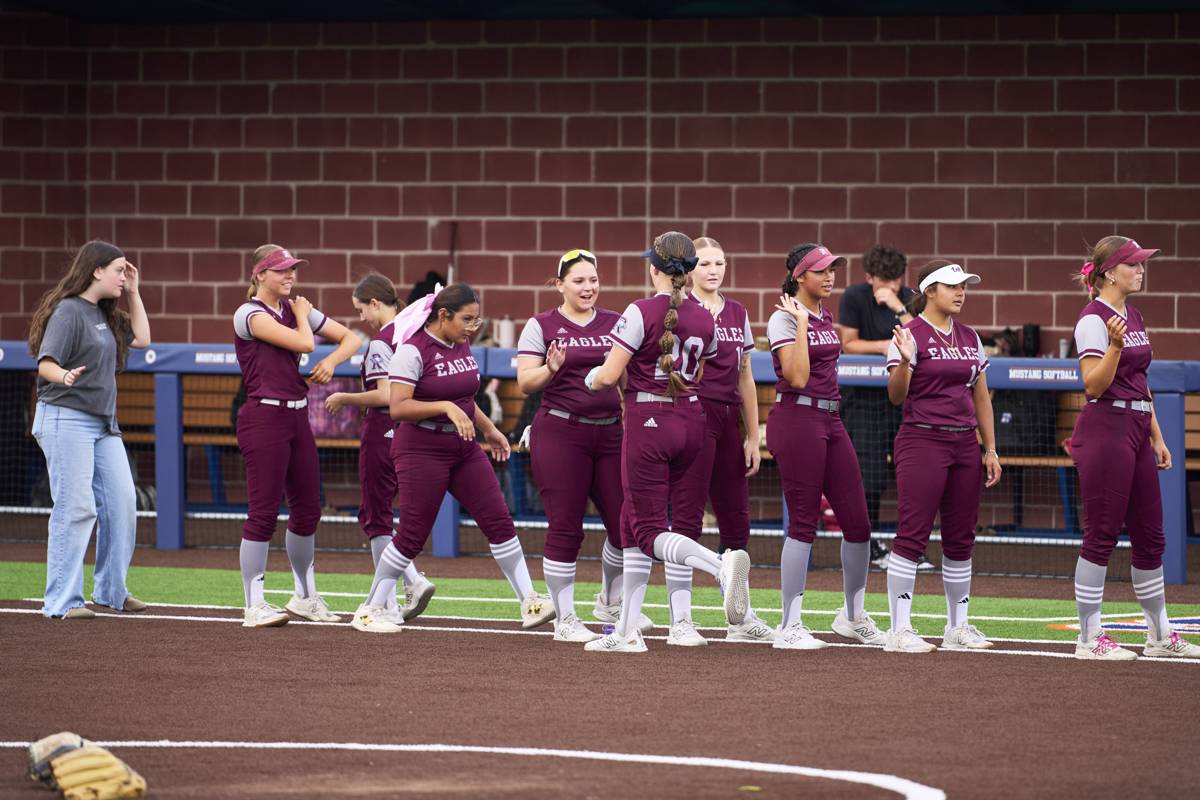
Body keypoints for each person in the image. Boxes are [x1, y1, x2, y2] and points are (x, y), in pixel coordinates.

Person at [581, 232, 752, 653]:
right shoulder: (707, 317)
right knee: (633, 524)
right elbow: (708, 359)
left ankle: (719, 565)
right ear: (690, 269)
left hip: (650, 419)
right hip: (692, 417)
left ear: (654, 268)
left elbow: (606, 375)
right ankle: (625, 632)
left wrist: (590, 378)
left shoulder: (640, 310)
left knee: (647, 527)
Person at [352, 283, 554, 633]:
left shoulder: (461, 344)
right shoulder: (411, 351)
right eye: (467, 319)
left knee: (499, 520)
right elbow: (398, 407)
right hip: (420, 447)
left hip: (463, 447)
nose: (472, 328)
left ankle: (530, 601)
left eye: (476, 320)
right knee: (412, 534)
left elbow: (463, 396)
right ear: (442, 315)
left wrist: (490, 430)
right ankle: (369, 610)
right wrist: (445, 406)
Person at [1069, 236, 1200, 660]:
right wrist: (1115, 347)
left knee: (1150, 535)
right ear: (1109, 273)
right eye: (1134, 265)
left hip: (1137, 426)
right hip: (1105, 426)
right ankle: (1089, 637)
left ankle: (1159, 634)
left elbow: (1140, 382)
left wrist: (1157, 437)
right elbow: (1093, 384)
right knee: (1102, 534)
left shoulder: (1135, 314)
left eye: (1142, 264)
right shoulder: (1093, 319)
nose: (1141, 270)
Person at [517, 249, 645, 643]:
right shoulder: (541, 325)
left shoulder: (615, 321)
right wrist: (551, 368)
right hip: (560, 432)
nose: (588, 287)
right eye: (578, 281)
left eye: (593, 280)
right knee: (566, 527)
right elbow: (525, 382)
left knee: (627, 524)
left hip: (610, 433)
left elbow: (625, 376)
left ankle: (609, 601)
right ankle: (566, 619)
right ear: (560, 284)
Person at [233, 244, 361, 628]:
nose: (290, 276)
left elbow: (351, 338)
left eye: (293, 270)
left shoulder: (294, 309)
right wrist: (304, 317)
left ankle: (305, 597)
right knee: (263, 512)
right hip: (263, 417)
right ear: (259, 275)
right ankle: (254, 604)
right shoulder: (249, 313)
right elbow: (305, 342)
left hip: (297, 417)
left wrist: (331, 362)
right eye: (281, 270)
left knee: (307, 510)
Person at [767, 244, 883, 650]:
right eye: (821, 270)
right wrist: (799, 324)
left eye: (833, 268)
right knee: (802, 524)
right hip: (797, 418)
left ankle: (852, 616)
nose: (830, 276)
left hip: (831, 419)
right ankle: (790, 625)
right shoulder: (785, 316)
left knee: (858, 524)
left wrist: (808, 322)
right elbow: (797, 377)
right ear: (800, 276)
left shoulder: (824, 314)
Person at [28, 240, 151, 619]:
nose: (123, 276)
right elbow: (45, 364)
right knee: (76, 508)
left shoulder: (107, 313)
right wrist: (63, 374)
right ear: (96, 270)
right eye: (118, 270)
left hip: (103, 424)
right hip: (65, 417)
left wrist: (134, 291)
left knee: (122, 503)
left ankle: (112, 591)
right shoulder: (68, 312)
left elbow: (144, 339)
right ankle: (62, 602)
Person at [885, 261, 1001, 653]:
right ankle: (899, 631)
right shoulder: (910, 334)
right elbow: (895, 395)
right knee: (913, 534)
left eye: (964, 285)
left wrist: (991, 448)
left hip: (965, 445)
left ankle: (958, 627)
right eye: (952, 285)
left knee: (960, 538)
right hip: (922, 440)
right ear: (929, 290)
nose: (961, 291)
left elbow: (981, 396)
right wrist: (904, 360)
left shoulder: (970, 336)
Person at [669, 237, 773, 646]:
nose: (714, 270)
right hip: (692, 414)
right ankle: (681, 620)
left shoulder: (738, 312)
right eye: (706, 263)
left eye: (720, 263)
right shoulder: (676, 310)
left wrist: (752, 434)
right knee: (688, 520)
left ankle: (739, 618)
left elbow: (746, 376)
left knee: (736, 519)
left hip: (729, 419)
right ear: (690, 268)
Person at [325, 274, 436, 624]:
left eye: (362, 309)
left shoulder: (382, 341)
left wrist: (346, 397)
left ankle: (390, 599)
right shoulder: (414, 333)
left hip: (381, 428)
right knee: (400, 514)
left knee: (376, 516)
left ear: (375, 303)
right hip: (412, 431)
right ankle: (409, 582)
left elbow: (386, 395)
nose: (362, 318)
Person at [837, 244, 927, 570]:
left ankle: (912, 548)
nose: (888, 286)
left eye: (895, 280)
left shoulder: (911, 297)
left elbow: (924, 338)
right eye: (882, 281)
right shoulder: (854, 296)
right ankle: (870, 545)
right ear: (869, 276)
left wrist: (898, 306)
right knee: (870, 477)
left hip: (902, 397)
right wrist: (889, 346)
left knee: (914, 474)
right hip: (861, 401)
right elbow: (849, 343)